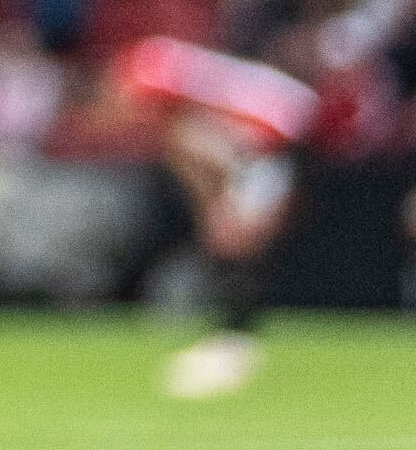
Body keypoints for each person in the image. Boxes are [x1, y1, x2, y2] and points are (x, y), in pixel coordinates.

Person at [124, 34, 317, 399]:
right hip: (270, 144)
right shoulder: (204, 88)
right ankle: (234, 338)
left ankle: (237, 340)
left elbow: (216, 153)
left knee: (233, 236)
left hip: (277, 144)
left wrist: (219, 202)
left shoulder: (185, 101)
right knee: (229, 237)